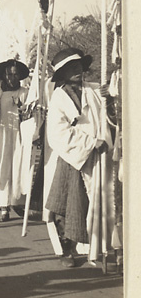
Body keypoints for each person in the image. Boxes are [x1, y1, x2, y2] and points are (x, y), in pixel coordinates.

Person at [45, 48, 113, 267]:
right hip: (73, 156)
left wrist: (109, 96)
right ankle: (67, 250)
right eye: (69, 68)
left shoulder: (94, 90)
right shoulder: (58, 97)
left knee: (100, 201)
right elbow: (57, 133)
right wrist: (91, 143)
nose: (76, 71)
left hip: (99, 158)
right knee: (67, 203)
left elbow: (110, 110)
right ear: (62, 74)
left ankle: (100, 247)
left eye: (78, 66)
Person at [0, 57, 29, 222]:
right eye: (8, 75)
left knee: (19, 167)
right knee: (2, 169)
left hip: (19, 136)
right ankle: (4, 207)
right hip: (2, 136)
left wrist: (23, 109)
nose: (11, 78)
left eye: (15, 75)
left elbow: (31, 117)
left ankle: (18, 202)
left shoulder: (25, 93)